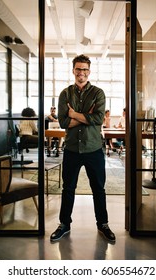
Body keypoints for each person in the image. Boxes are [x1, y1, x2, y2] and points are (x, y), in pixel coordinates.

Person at [50, 54, 115, 243]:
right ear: (73, 71)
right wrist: (85, 116)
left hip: (94, 149)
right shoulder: (65, 94)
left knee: (98, 189)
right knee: (68, 188)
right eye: (78, 69)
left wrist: (74, 114)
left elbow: (97, 119)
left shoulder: (98, 93)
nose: (82, 73)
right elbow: (63, 122)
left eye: (85, 69)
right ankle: (64, 224)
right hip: (71, 149)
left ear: (89, 71)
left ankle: (103, 224)